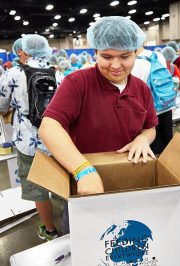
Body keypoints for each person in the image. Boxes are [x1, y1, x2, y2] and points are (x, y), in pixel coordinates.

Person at [39, 16, 158, 234]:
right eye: (106, 56)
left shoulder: (141, 89)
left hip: (128, 182)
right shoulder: (77, 83)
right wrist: (83, 170)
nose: (115, 65)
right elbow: (49, 126)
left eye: (124, 56)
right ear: (95, 52)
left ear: (136, 52)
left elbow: (150, 127)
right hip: (84, 186)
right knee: (82, 244)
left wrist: (143, 138)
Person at [0, 34, 62, 241]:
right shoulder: (58, 74)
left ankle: (50, 230)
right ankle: (71, 221)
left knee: (37, 189)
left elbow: (1, 104)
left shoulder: (13, 73)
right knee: (62, 183)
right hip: (57, 141)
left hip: (27, 142)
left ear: (24, 51)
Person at [132, 46, 174, 154]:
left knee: (152, 145)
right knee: (167, 140)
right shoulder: (157, 55)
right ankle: (168, 165)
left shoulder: (135, 62)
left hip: (149, 110)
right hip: (165, 104)